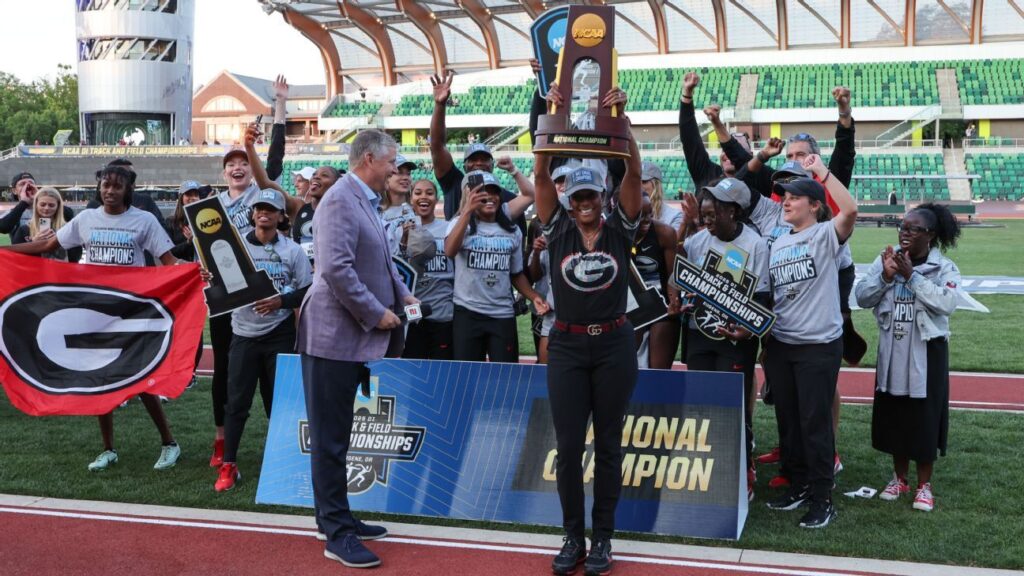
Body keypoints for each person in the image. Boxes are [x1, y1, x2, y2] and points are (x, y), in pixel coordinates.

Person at [3, 164, 186, 472]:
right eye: (105, 185)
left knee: (140, 378)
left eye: (116, 186)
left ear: (128, 189)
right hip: (95, 311)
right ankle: (108, 449)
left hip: (131, 311)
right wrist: (9, 253)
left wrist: (193, 272)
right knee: (100, 377)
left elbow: (168, 262)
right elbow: (48, 245)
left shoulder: (144, 220)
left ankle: (169, 442)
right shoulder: (87, 219)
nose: (109, 191)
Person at [297, 129, 417, 569]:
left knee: (338, 436)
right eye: (391, 162)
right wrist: (375, 313)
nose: (395, 170)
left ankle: (337, 516)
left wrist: (403, 296)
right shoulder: (339, 200)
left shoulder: (361, 199)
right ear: (369, 159)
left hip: (346, 339)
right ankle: (336, 533)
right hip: (330, 337)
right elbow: (336, 270)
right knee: (330, 440)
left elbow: (382, 262)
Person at [534, 84, 640, 576]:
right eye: (576, 195)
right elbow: (539, 171)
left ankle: (603, 540)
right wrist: (551, 114)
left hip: (616, 344)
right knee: (570, 445)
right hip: (568, 344)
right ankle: (572, 536)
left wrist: (622, 124)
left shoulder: (620, 227)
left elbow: (633, 173)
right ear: (567, 197)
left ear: (602, 195)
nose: (584, 203)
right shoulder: (555, 227)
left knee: (611, 445)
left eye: (590, 195)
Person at [762, 153, 857, 529]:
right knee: (789, 423)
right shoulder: (779, 242)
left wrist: (820, 171)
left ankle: (822, 498)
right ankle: (799, 485)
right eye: (783, 196)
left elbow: (850, 209)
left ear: (815, 205)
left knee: (814, 424)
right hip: (782, 345)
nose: (785, 201)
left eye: (794, 196)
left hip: (818, 345)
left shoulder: (825, 234)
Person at [855, 203, 961, 513]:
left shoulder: (944, 267)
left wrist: (911, 277)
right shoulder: (885, 260)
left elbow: (947, 302)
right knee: (896, 415)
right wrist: (886, 277)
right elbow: (862, 296)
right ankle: (898, 479)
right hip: (893, 349)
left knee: (924, 418)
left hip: (927, 351)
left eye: (913, 229)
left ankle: (924, 485)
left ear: (930, 235)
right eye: (902, 226)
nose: (905, 232)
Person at [214, 189, 313, 492]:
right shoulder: (236, 246)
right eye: (259, 208)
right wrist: (210, 277)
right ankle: (229, 464)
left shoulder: (292, 251)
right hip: (243, 332)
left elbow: (307, 290)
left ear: (282, 216)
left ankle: (285, 460)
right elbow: (220, 285)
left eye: (271, 209)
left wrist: (280, 302)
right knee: (237, 402)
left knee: (278, 402)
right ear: (253, 213)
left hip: (279, 333)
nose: (264, 213)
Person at [679, 178, 769, 501]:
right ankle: (707, 469)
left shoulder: (755, 245)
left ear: (734, 211)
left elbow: (762, 300)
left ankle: (743, 469)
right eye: (704, 214)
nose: (707, 219)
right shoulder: (698, 241)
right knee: (701, 404)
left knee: (734, 408)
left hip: (736, 340)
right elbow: (680, 279)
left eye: (713, 212)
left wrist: (749, 327)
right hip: (699, 335)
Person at [443, 170, 547, 362]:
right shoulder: (460, 224)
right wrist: (467, 210)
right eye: (483, 192)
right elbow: (449, 251)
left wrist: (534, 296)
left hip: (502, 313)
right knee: (468, 375)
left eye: (494, 192)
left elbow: (516, 274)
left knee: (505, 375)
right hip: (467, 312)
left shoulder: (512, 230)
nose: (490, 197)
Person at [429, 70, 534, 220]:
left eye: (484, 159)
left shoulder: (505, 197)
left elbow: (520, 232)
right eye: (473, 159)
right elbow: (437, 145)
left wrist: (513, 170)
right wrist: (440, 105)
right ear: (464, 165)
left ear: (492, 165)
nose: (479, 163)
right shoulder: (454, 183)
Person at [396, 179, 455, 359]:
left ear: (437, 198)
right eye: (418, 192)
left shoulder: (448, 229)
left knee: (443, 374)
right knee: (414, 376)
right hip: (413, 316)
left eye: (429, 193)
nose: (424, 197)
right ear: (411, 198)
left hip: (443, 314)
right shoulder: (398, 231)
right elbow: (396, 272)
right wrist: (404, 242)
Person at [631, 194, 682, 369]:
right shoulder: (614, 234)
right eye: (640, 215)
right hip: (630, 306)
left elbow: (672, 276)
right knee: (626, 366)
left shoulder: (664, 233)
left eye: (649, 214)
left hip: (661, 303)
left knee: (658, 369)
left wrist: (673, 300)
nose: (647, 220)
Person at [1, 172, 75, 244]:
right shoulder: (12, 213)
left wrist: (40, 197)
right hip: (24, 253)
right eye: (22, 184)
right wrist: (24, 203)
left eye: (31, 183)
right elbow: (3, 228)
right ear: (14, 191)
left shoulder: (46, 209)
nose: (27, 186)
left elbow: (69, 215)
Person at [12, 187, 80, 262]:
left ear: (58, 207)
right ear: (36, 205)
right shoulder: (24, 230)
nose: (46, 208)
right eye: (42, 204)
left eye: (51, 205)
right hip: (35, 272)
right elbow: (17, 259)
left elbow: (76, 257)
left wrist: (58, 242)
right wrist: (34, 244)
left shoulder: (68, 229)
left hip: (60, 271)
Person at [379, 154, 418, 253]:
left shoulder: (417, 210)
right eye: (399, 173)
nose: (406, 178)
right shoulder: (377, 212)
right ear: (387, 176)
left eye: (408, 173)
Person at [640, 161, 683, 230]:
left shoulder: (675, 215)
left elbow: (675, 240)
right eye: (636, 181)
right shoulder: (628, 214)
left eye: (644, 182)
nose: (639, 186)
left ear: (656, 186)